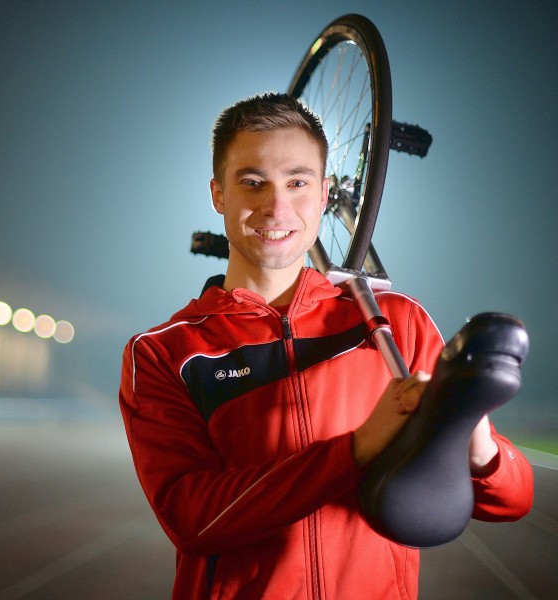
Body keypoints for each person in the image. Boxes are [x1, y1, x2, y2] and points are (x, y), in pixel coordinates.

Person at [119, 93, 533, 599]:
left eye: (297, 182)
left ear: (323, 193)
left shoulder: (394, 322)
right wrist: (358, 448)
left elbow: (512, 500)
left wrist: (470, 431)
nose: (277, 207)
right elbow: (194, 520)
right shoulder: (165, 353)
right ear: (218, 195)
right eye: (253, 183)